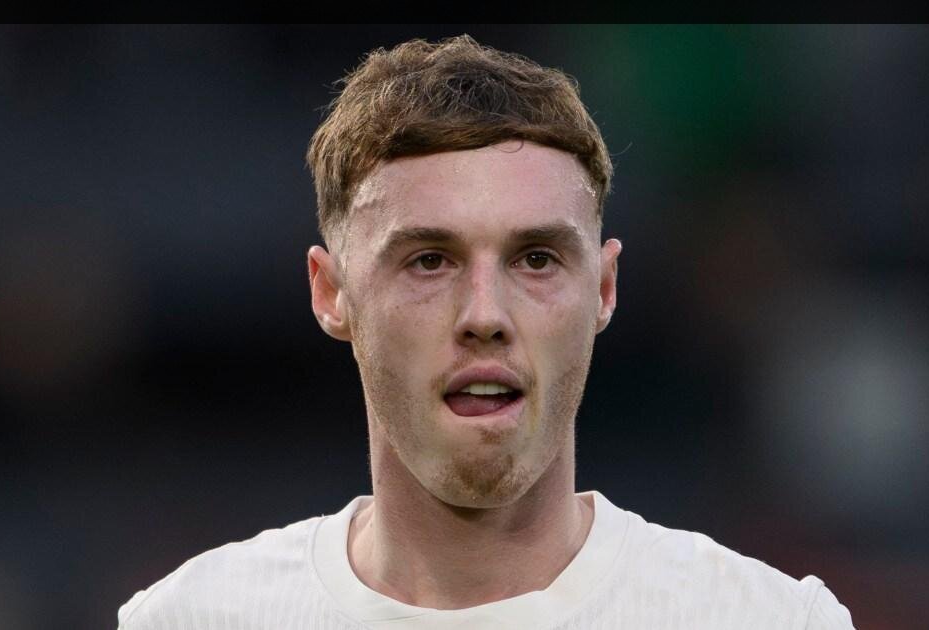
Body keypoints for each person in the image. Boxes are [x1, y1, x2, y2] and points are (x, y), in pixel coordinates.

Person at [116, 34, 854, 629]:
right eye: (429, 261)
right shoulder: (191, 620)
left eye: (536, 259)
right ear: (331, 292)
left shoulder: (768, 620)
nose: (485, 317)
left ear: (604, 288)